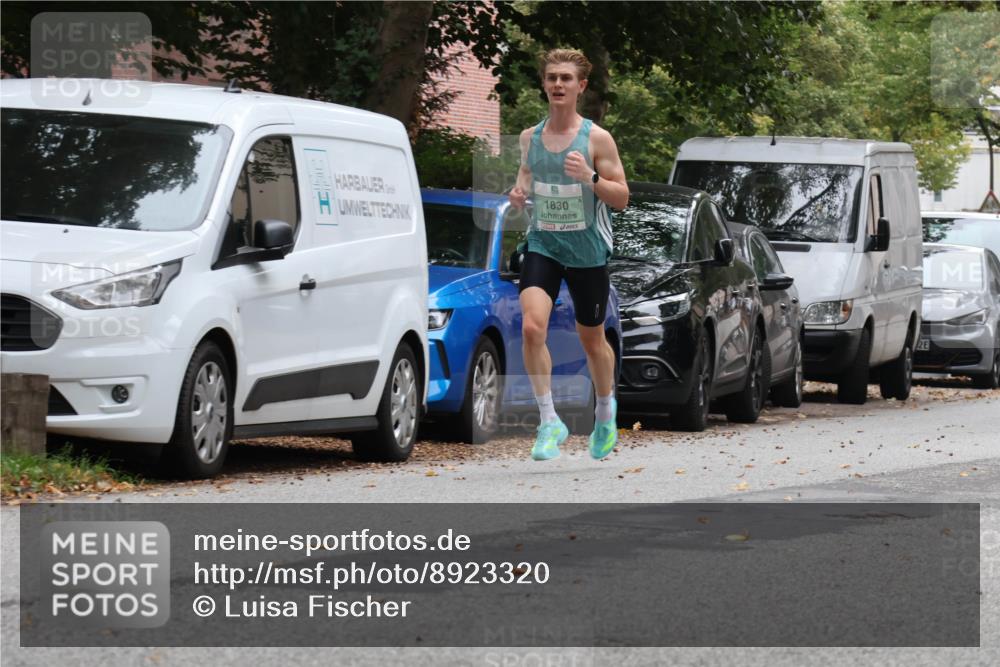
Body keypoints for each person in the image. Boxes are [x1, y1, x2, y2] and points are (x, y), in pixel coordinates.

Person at [508, 48, 629, 461]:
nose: (558, 84)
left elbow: (622, 199)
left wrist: (590, 177)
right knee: (530, 328)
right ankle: (548, 421)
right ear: (544, 84)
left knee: (592, 339)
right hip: (543, 243)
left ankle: (605, 411)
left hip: (587, 251)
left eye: (566, 78)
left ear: (581, 86)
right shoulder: (529, 137)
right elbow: (524, 180)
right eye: (551, 77)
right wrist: (518, 195)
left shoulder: (596, 138)